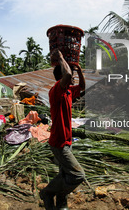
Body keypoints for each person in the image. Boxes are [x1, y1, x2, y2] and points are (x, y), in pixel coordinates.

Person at [40, 49, 85, 210]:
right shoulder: (55, 91)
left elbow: (82, 87)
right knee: (78, 175)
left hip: (67, 140)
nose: (71, 77)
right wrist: (60, 57)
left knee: (64, 174)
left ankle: (61, 203)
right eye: (70, 74)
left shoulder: (68, 91)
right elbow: (66, 76)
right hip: (59, 143)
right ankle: (47, 192)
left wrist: (79, 71)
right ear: (62, 75)